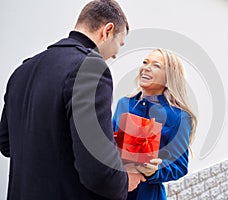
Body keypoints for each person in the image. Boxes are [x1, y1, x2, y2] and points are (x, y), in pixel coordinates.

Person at [0, 0, 145, 200]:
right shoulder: (91, 68)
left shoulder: (21, 71)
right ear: (107, 31)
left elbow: (6, 144)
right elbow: (98, 172)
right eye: (119, 44)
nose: (116, 54)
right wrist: (125, 180)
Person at [112, 48, 197, 199]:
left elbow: (180, 167)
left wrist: (155, 171)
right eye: (145, 62)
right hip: (114, 190)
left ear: (169, 77)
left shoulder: (179, 117)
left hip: (147, 195)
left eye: (156, 65)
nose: (146, 67)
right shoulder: (123, 104)